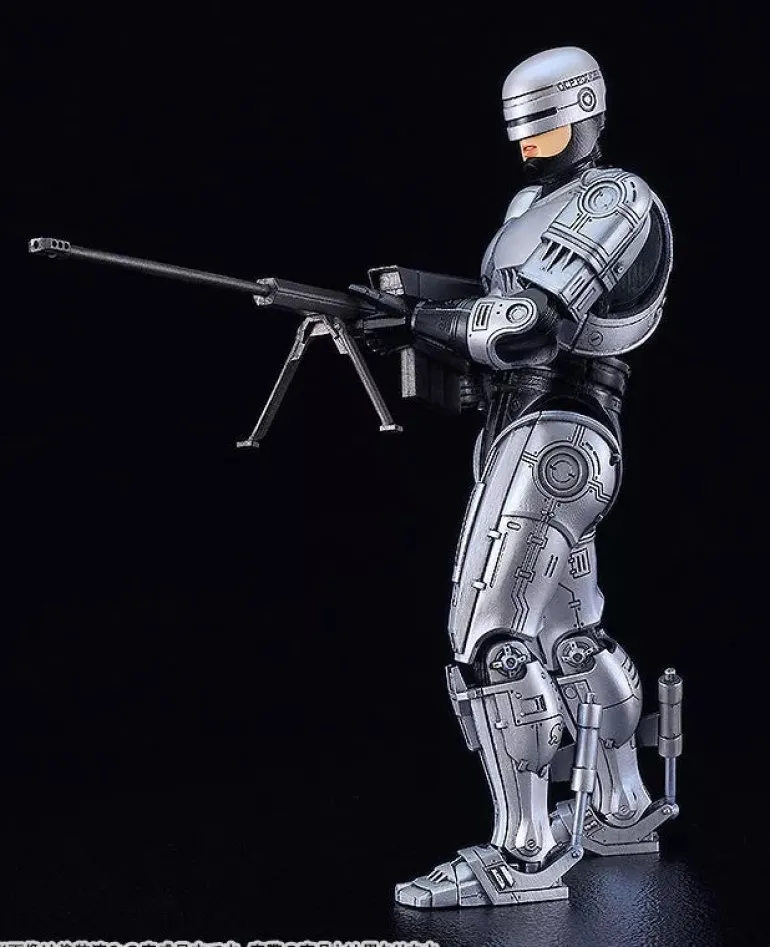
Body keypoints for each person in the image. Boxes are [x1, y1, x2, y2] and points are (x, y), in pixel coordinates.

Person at [366, 45, 675, 908]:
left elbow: (528, 327)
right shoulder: (528, 208)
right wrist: (417, 320)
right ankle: (619, 807)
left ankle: (525, 850)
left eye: (546, 128)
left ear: (586, 112)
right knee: (570, 633)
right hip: (533, 434)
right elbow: (495, 332)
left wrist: (427, 319)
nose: (530, 145)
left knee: (489, 635)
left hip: (559, 432)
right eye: (523, 133)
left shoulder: (617, 198)